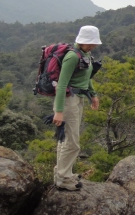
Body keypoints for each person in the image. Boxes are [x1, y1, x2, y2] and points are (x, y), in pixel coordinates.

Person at [52, 25, 102, 191]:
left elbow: (87, 77)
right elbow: (61, 85)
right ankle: (63, 178)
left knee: (66, 139)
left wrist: (93, 94)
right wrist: (58, 111)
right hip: (68, 101)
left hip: (78, 98)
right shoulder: (72, 56)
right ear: (80, 40)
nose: (92, 45)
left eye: (93, 43)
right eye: (89, 43)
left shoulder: (85, 55)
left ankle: (63, 173)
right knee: (72, 143)